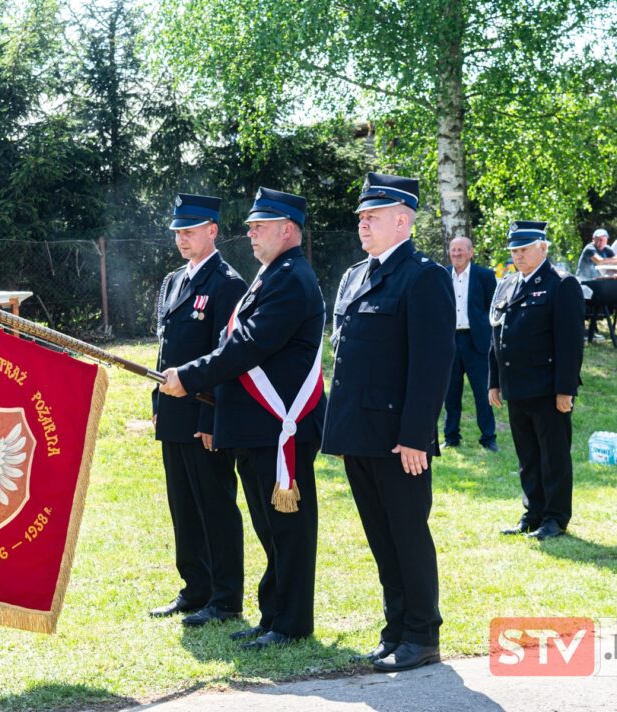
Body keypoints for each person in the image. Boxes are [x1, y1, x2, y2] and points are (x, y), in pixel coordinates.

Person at [159, 188, 326, 651]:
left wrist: (190, 377)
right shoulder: (272, 274)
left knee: (287, 531)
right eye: (251, 224)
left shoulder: (292, 278)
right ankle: (274, 615)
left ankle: (291, 623)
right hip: (257, 427)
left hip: (278, 426)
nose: (250, 231)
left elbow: (246, 346)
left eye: (260, 225)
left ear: (287, 229)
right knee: (270, 529)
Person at [322, 173, 455, 673]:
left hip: (400, 439)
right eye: (361, 218)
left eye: (371, 218)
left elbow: (431, 366)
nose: (362, 225)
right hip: (359, 433)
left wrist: (415, 436)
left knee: (407, 534)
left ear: (402, 220)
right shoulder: (357, 275)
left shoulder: (424, 277)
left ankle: (422, 634)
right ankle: (395, 628)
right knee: (381, 537)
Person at [149, 193, 248, 627]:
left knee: (215, 505)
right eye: (177, 232)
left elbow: (226, 358)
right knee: (182, 505)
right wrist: (157, 405)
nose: (181, 239)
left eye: (190, 231)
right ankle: (195, 589)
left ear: (213, 231)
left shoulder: (228, 284)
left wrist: (213, 419)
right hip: (173, 412)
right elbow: (164, 350)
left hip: (206, 414)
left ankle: (226, 598)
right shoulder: (174, 281)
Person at [489, 221, 585, 541]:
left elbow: (570, 343)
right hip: (516, 386)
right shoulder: (506, 284)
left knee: (553, 455)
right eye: (514, 250)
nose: (518, 255)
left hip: (547, 388)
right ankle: (533, 514)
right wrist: (494, 380)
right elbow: (496, 334)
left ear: (542, 248)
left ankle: (555, 518)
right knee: (527, 456)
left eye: (524, 249)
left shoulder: (561, 284)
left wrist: (565, 389)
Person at [442, 236, 499, 452]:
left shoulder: (484, 276)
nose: (456, 254)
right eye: (453, 250)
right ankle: (451, 437)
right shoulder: (443, 275)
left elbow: (493, 308)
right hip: (450, 342)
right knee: (451, 393)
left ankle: (488, 438)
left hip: (477, 342)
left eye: (461, 250)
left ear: (471, 252)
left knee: (483, 393)